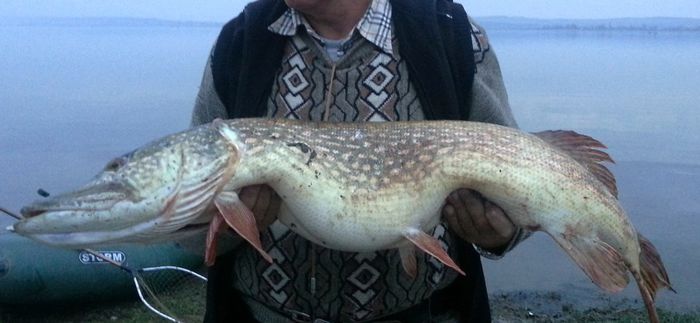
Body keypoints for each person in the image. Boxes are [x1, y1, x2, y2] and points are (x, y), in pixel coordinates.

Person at [191, 0, 528, 321]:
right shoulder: (239, 42)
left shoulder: (453, 35)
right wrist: (232, 227)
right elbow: (184, 221)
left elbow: (529, 185)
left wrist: (500, 232)